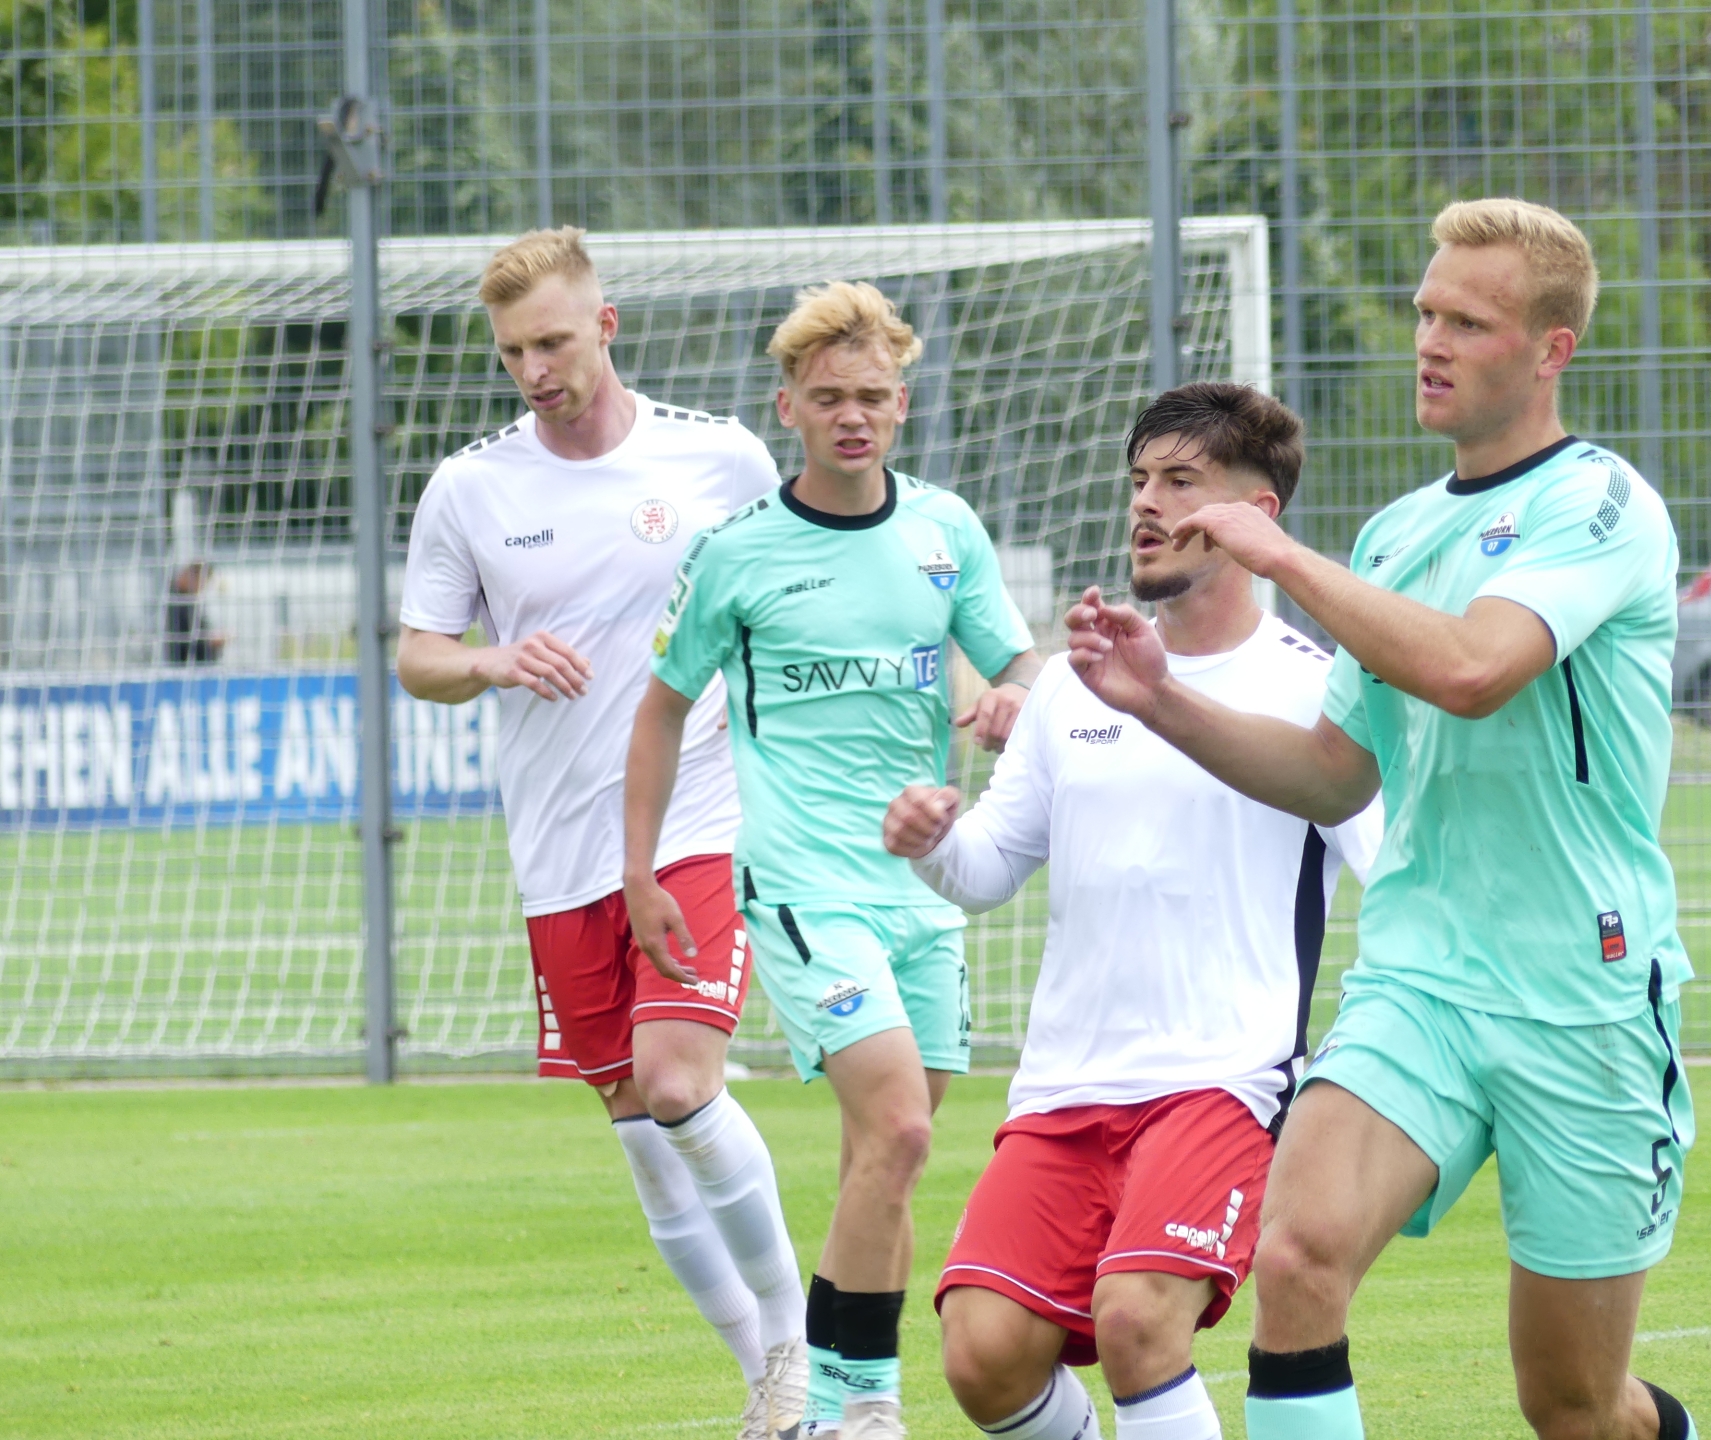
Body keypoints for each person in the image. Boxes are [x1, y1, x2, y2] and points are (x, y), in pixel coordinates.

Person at [1066, 199, 1701, 1440]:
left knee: (1574, 1407)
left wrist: (1279, 557)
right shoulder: (1397, 534)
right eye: (1425, 312)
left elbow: (1473, 668)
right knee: (1295, 1256)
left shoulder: (1602, 504)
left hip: (1584, 992)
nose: (1431, 341)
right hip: (1422, 980)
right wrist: (1159, 701)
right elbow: (1334, 776)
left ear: (1552, 350)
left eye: (1468, 321)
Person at [882, 382, 1382, 1440]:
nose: (1147, 503)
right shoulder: (1073, 686)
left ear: (1257, 516)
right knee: (981, 1355)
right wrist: (933, 842)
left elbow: (1397, 881)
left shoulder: (1319, 690)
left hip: (1224, 1081)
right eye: (1141, 479)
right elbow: (987, 869)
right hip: (1067, 1085)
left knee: (1138, 1320)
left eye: (1182, 482)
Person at [396, 227, 808, 1440]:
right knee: (639, 1127)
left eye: (554, 343)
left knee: (679, 1082)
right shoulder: (471, 488)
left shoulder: (718, 458)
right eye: (513, 352)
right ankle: (767, 1385)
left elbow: (788, 597)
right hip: (560, 853)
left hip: (699, 818)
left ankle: (805, 1349)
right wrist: (490, 660)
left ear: (607, 326)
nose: (535, 370)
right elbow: (418, 655)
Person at [624, 281, 1042, 1440]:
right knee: (899, 1129)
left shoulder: (946, 533)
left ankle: (857, 1406)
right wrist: (642, 873)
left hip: (927, 889)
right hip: (804, 888)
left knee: (886, 1158)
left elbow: (1018, 666)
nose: (851, 416)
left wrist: (1013, 699)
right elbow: (659, 711)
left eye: (871, 396)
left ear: (901, 405)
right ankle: (842, 1408)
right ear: (790, 410)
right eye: (828, 399)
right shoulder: (736, 553)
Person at [164, 561, 224, 665]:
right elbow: (186, 637)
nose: (202, 587)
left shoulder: (185, 599)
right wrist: (211, 641)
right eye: (203, 582)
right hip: (184, 664)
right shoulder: (176, 601)